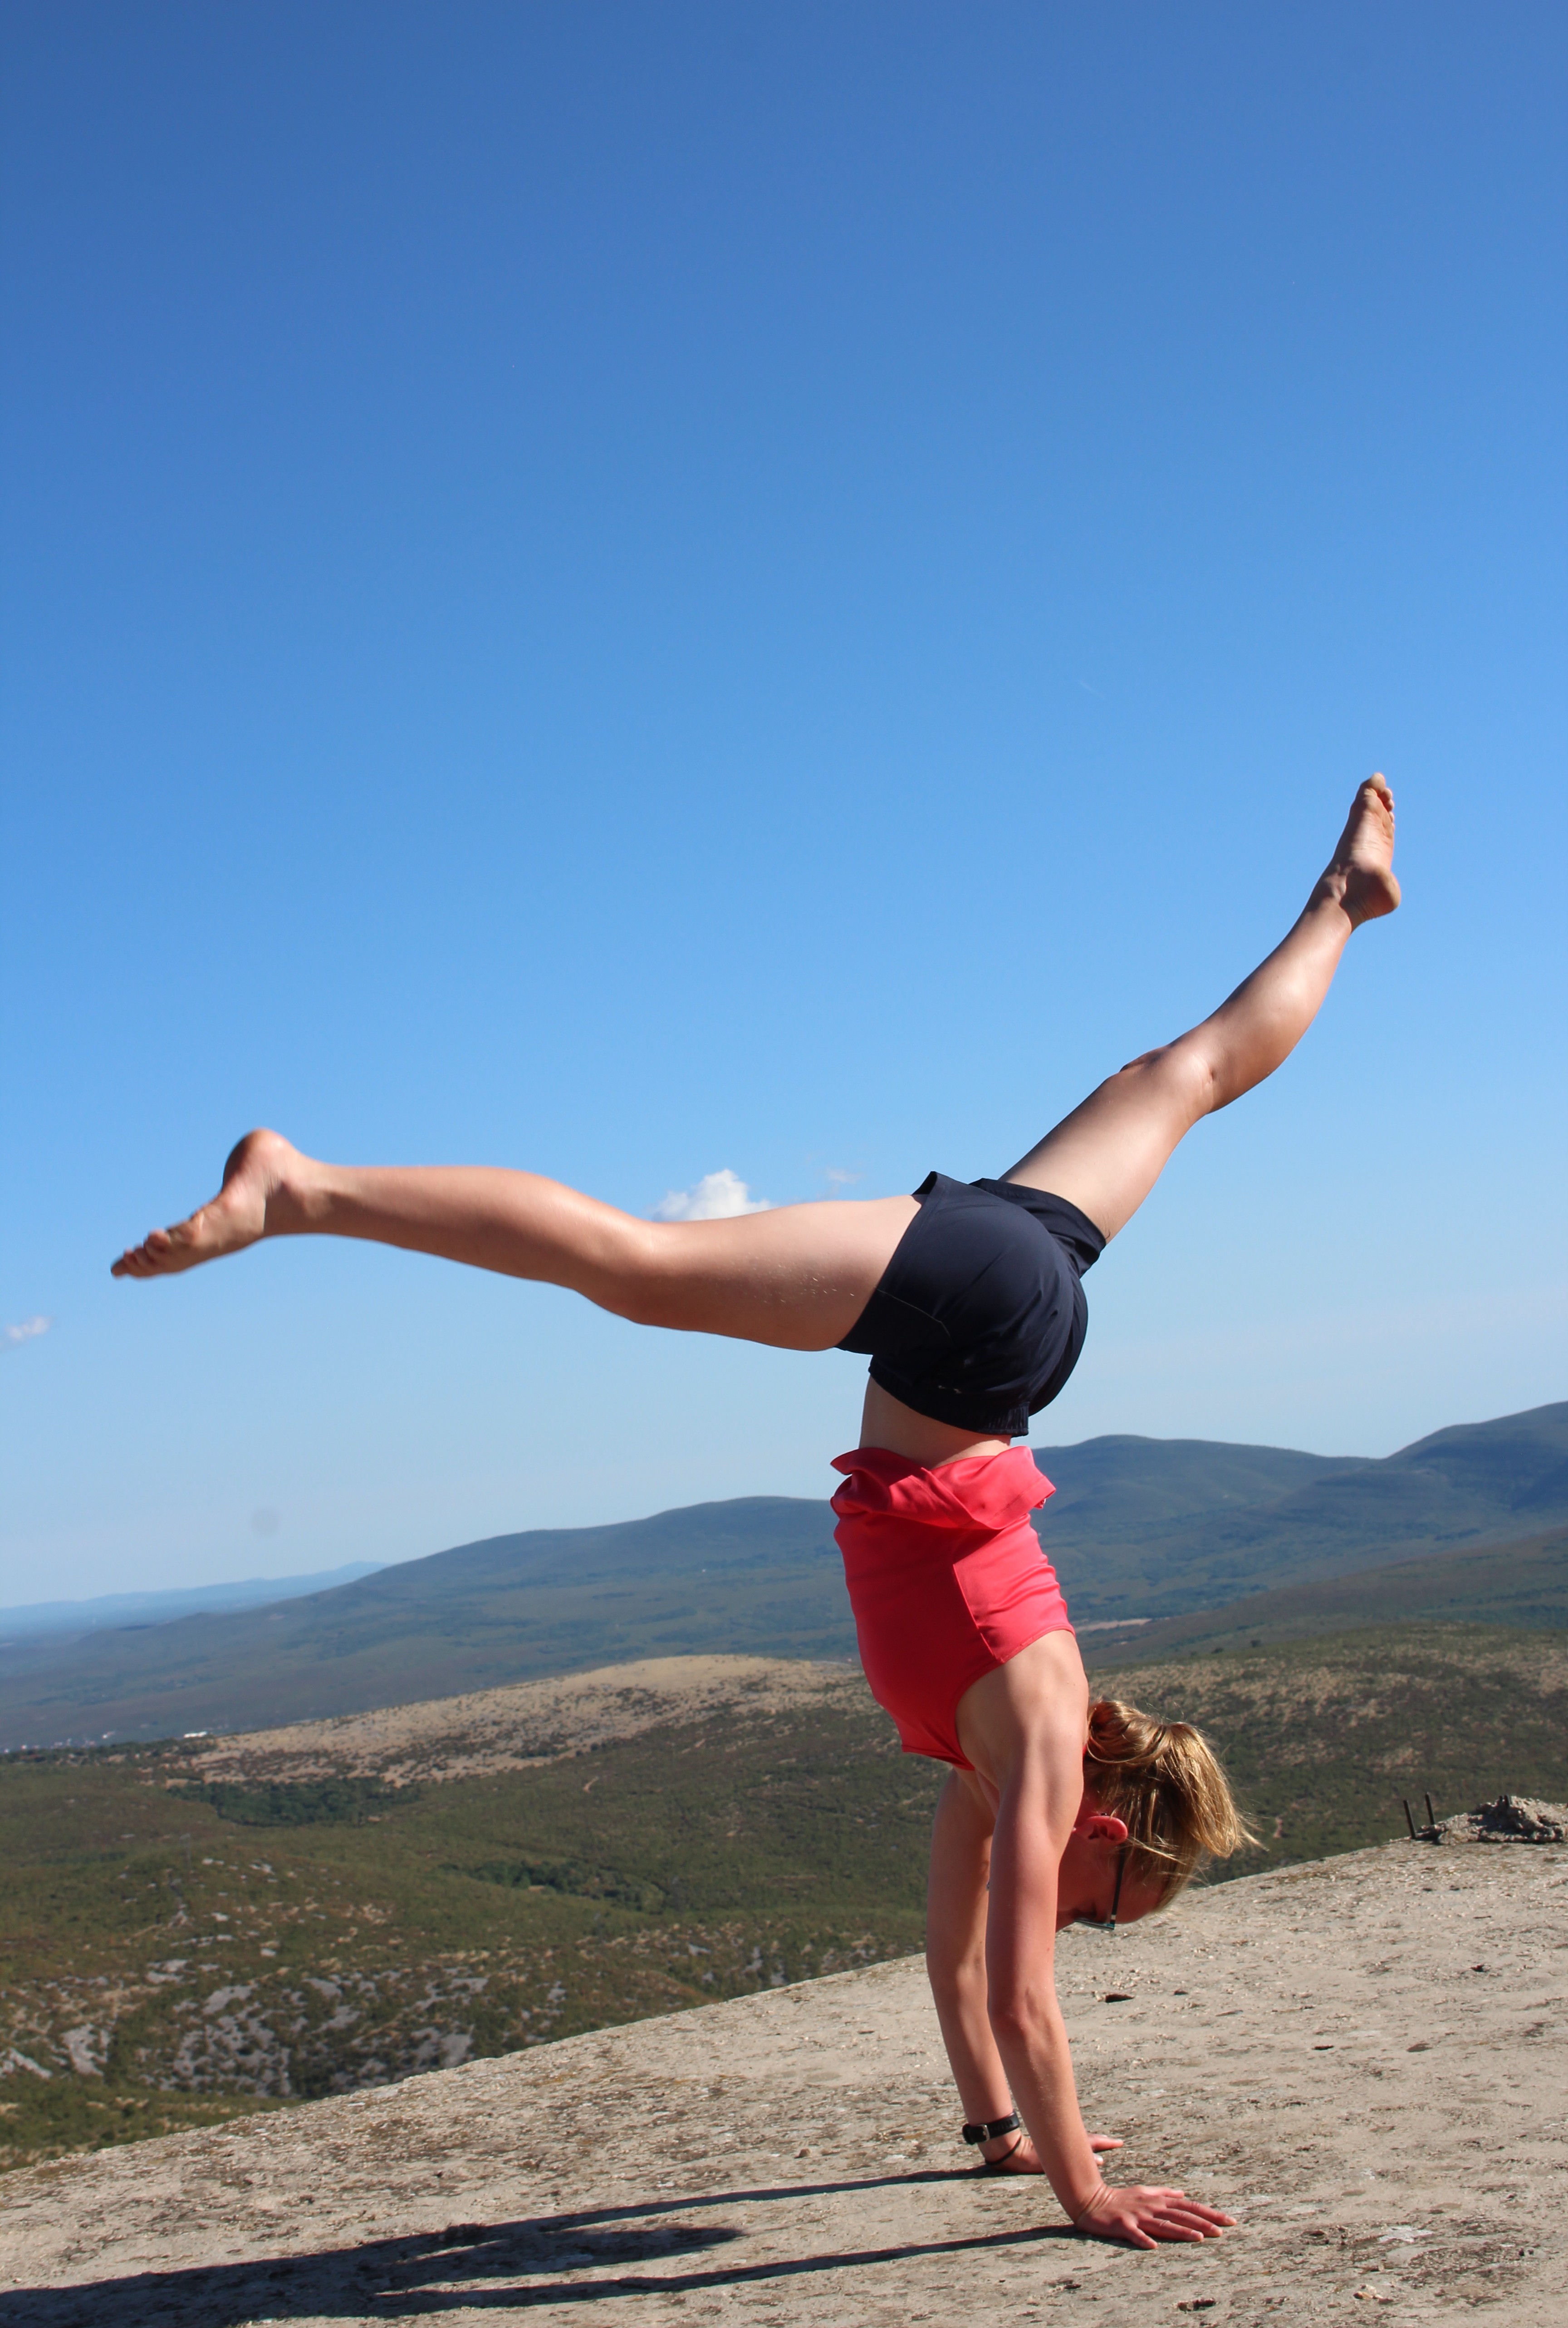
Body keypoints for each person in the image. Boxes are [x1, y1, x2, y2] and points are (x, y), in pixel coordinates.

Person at [113, 778, 1400, 2248]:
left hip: (1009, 1315)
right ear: (1103, 1829)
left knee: (1190, 1073)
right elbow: (1021, 1995)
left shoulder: (988, 1770)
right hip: (974, 1333)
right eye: (1109, 1904)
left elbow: (953, 1967)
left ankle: (1342, 904)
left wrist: (1000, 2134)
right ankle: (302, 1189)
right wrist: (1084, 2191)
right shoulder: (1041, 1745)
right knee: (640, 1265)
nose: (1085, 1924)